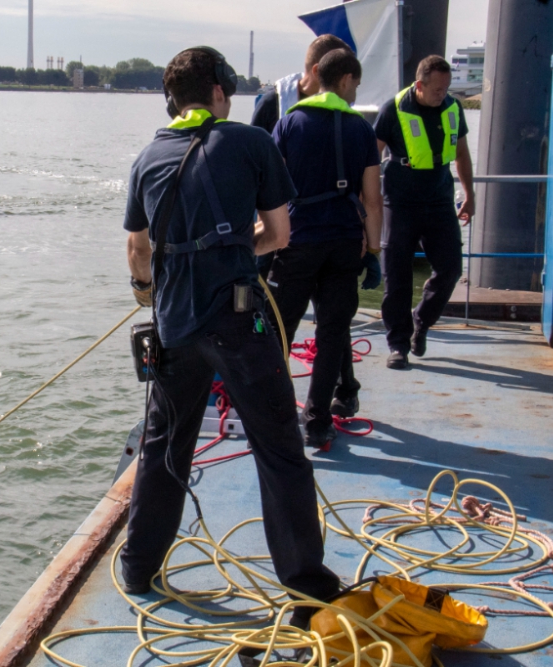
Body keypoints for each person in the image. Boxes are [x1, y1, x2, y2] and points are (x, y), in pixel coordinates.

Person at [121, 46, 340, 624]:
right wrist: (239, 246)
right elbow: (281, 233)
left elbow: (139, 252)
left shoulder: (148, 156)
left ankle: (137, 566)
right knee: (279, 453)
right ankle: (307, 589)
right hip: (240, 324)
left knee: (163, 449)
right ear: (221, 89)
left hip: (173, 327)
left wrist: (147, 290)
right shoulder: (251, 142)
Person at [252, 34, 378, 421]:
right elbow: (372, 199)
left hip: (297, 242)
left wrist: (260, 243)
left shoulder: (289, 123)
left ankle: (272, 413)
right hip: (344, 244)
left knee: (278, 331)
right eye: (356, 83)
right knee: (333, 332)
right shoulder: (362, 130)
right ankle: (318, 420)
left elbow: (266, 188)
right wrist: (374, 252)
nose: (356, 91)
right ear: (343, 81)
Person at [374, 55, 474, 369]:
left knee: (451, 269)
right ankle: (398, 344)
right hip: (400, 201)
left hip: (439, 199)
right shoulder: (393, 110)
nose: (442, 94)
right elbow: (371, 157)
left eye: (446, 89)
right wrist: (367, 202)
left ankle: (423, 320)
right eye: (437, 90)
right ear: (419, 85)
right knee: (397, 274)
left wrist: (470, 194)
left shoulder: (453, 108)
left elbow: (461, 153)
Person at [250, 34, 352, 137]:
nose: (347, 82)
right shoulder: (271, 104)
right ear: (317, 71)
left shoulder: (346, 107)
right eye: (341, 74)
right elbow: (253, 149)